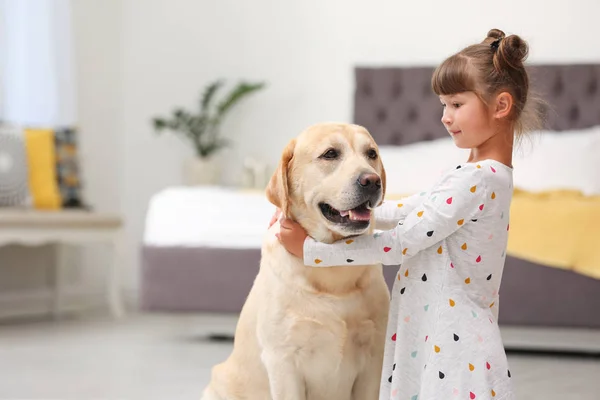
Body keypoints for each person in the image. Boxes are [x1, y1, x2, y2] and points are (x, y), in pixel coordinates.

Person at [271, 29, 544, 400]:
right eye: (443, 105)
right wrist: (356, 210)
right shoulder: (473, 174)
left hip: (451, 338)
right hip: (433, 327)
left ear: (500, 106)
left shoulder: (479, 179)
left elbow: (400, 245)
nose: (446, 118)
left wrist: (310, 250)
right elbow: (415, 209)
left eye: (457, 104)